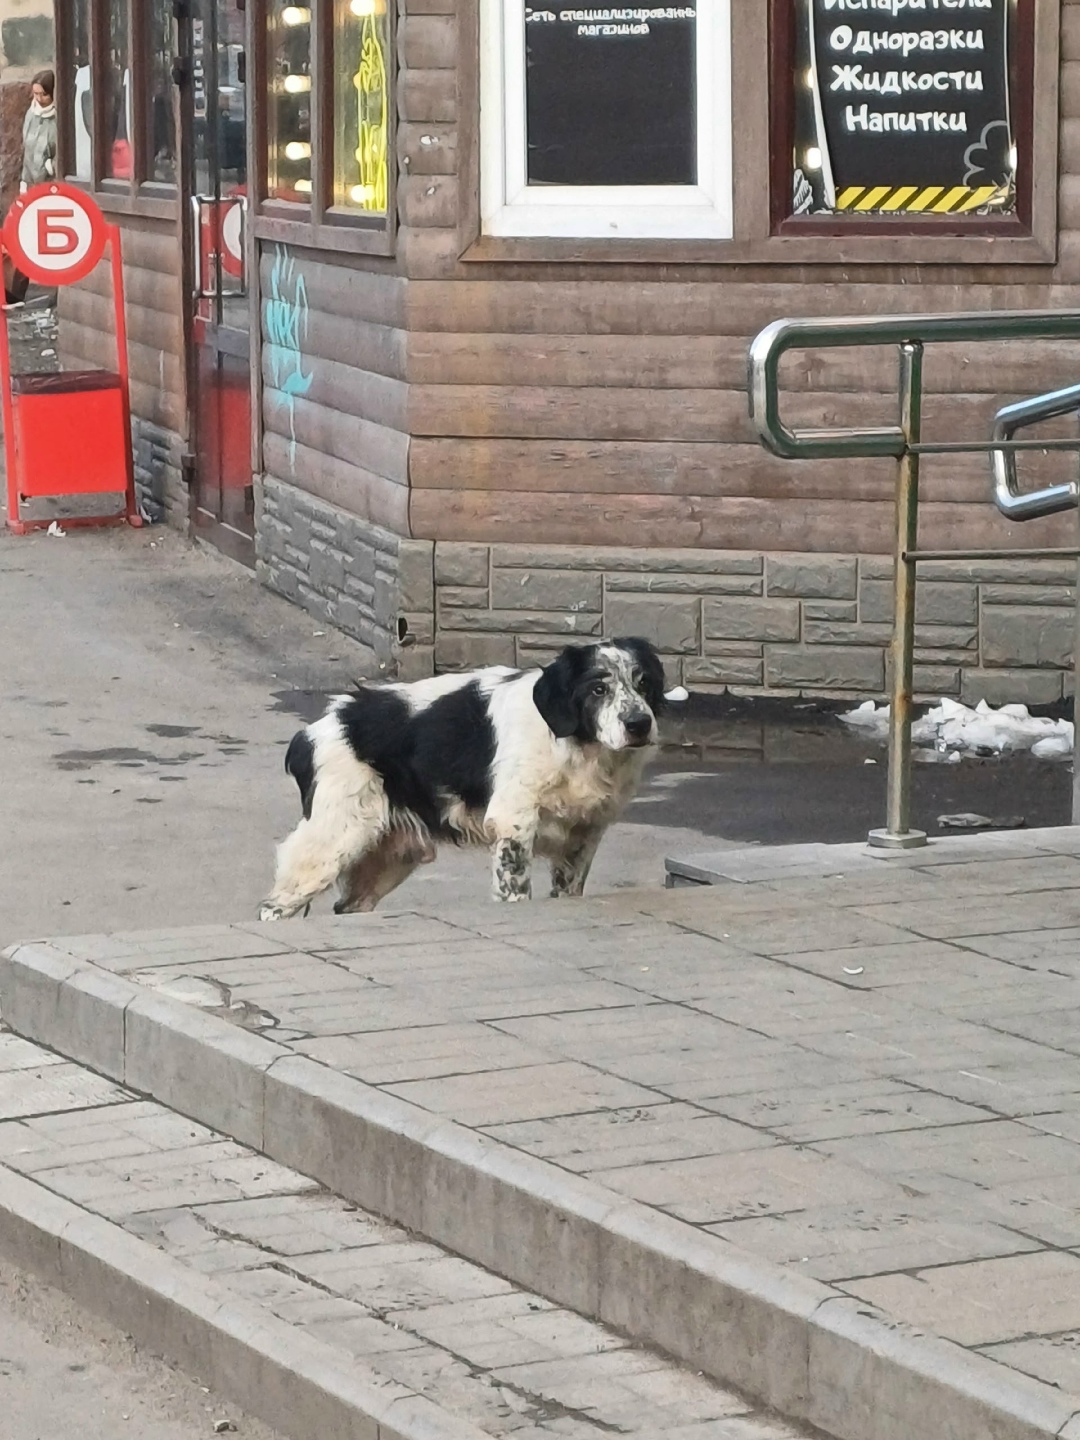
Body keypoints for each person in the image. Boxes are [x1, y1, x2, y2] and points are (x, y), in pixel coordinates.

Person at [7, 71, 57, 305]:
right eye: (35, 93)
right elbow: (27, 151)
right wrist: (24, 183)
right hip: (31, 183)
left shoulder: (59, 119)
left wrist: (50, 165)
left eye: (43, 94)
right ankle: (16, 290)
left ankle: (58, 291)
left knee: (53, 237)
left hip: (51, 186)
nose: (38, 99)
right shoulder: (31, 114)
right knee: (24, 236)